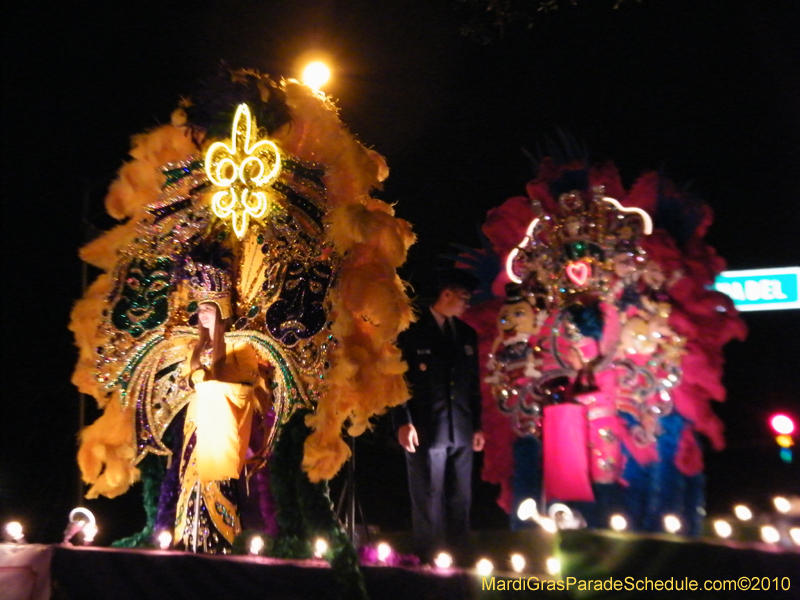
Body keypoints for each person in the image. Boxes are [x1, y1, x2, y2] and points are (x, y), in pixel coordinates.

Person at [393, 269, 484, 564]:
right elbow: (398, 381)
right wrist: (403, 421)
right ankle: (428, 555)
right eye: (463, 297)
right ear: (446, 294)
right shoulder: (412, 331)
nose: (465, 304)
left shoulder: (466, 334)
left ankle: (460, 555)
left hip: (460, 425)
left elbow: (472, 385)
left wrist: (477, 426)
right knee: (428, 495)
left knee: (461, 495)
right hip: (426, 425)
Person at [174, 262, 264, 553]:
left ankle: (221, 538)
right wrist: (196, 378)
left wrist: (211, 380)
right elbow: (186, 381)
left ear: (221, 312)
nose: (202, 315)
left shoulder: (240, 344)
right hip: (197, 422)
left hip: (223, 425)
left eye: (208, 309)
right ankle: (189, 537)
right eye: (199, 310)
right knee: (191, 477)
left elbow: (249, 382)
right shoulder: (195, 347)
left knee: (218, 480)